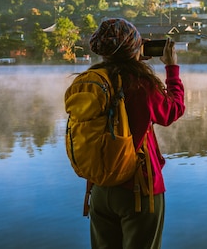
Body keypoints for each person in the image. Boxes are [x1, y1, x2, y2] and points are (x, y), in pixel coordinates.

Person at [86, 18, 185, 249]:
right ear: (133, 48)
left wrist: (130, 57)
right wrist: (171, 69)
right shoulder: (140, 84)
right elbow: (173, 110)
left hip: (99, 187)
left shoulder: (93, 81)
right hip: (138, 190)